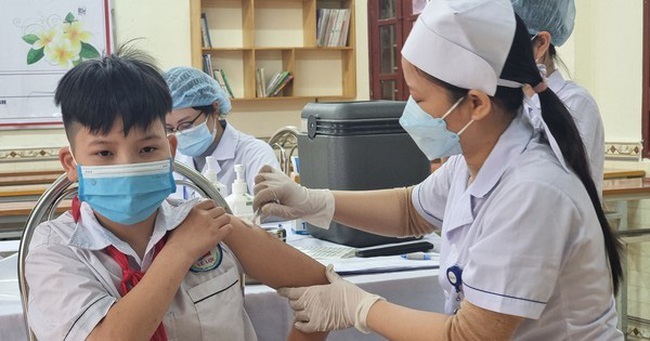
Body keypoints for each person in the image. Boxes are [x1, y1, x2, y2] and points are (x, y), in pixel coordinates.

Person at [253, 0, 624, 339]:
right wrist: (313, 201)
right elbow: (410, 211)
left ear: (476, 103)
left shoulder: (532, 190)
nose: (411, 113)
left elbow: (470, 336)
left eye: (419, 98)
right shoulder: (474, 160)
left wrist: (358, 307)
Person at [24, 48, 328, 340]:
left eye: (147, 149)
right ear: (72, 164)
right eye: (104, 152)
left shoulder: (208, 224)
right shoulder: (55, 250)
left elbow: (321, 287)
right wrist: (180, 251)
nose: (128, 166)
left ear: (170, 151)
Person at [512, 0, 605, 193]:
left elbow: (549, 187)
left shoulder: (576, 103)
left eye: (506, 40)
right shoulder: (505, 99)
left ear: (541, 44)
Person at [163, 66, 280, 198]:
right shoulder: (172, 156)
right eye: (169, 129)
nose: (179, 135)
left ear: (215, 109)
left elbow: (276, 216)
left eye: (186, 125)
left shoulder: (254, 154)